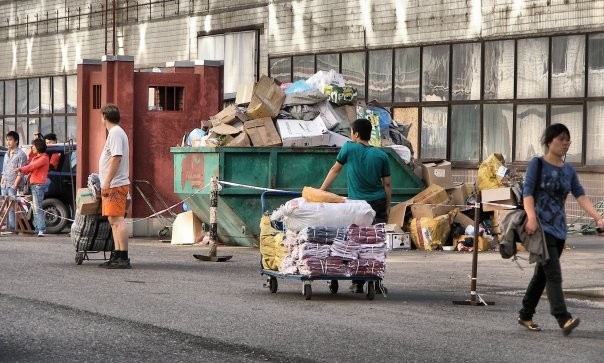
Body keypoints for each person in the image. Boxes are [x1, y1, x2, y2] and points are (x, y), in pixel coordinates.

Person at [519, 123, 604, 336]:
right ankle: (563, 317)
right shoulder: (537, 164)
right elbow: (527, 193)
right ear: (549, 141)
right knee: (553, 273)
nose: (565, 144)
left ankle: (525, 314)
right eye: (561, 139)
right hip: (541, 228)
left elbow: (580, 195)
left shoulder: (568, 170)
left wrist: (598, 217)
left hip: (559, 230)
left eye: (568, 140)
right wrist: (531, 217)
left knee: (542, 275)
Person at [320, 118, 391, 293]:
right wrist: (387, 207)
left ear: (356, 134)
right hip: (378, 203)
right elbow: (387, 185)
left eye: (351, 132)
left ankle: (358, 283)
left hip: (358, 206)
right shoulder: (382, 155)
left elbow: (334, 170)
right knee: (375, 245)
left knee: (357, 242)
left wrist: (321, 191)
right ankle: (375, 282)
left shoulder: (349, 148)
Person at [98, 104, 132, 269]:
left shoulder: (116, 133)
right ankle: (117, 255)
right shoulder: (116, 132)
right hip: (114, 183)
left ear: (104, 116)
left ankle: (123, 256)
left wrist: (107, 181)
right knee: (113, 220)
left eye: (101, 116)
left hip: (115, 183)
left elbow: (116, 158)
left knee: (117, 220)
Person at [16, 138, 49, 237]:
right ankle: (38, 228)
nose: (32, 148)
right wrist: (29, 153)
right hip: (34, 184)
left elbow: (32, 167)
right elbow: (29, 164)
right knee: (35, 208)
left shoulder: (44, 158)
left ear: (38, 146)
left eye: (33, 146)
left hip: (38, 185)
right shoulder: (36, 157)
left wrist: (20, 169)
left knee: (37, 207)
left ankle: (41, 229)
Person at [1, 131, 28, 231]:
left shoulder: (21, 154)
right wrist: (2, 180)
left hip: (13, 184)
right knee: (5, 205)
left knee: (12, 206)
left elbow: (21, 171)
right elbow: (4, 169)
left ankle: (12, 227)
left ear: (16, 141)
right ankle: (7, 225)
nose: (8, 142)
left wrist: (15, 184)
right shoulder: (6, 153)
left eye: (10, 140)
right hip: (5, 183)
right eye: (7, 140)